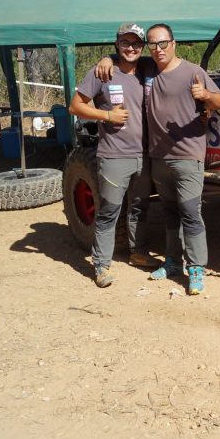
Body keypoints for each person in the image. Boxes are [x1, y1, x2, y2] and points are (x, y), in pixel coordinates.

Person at [69, 23, 161, 288]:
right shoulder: (102, 73)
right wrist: (107, 115)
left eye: (136, 43)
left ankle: (139, 253)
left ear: (142, 47)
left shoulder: (146, 69)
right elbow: (75, 106)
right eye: (125, 43)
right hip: (113, 156)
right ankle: (101, 265)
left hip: (143, 155)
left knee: (140, 207)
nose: (130, 48)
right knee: (110, 211)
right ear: (116, 44)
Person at [143, 23, 220, 295]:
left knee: (191, 212)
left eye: (162, 43)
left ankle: (197, 269)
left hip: (188, 156)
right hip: (159, 157)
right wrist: (107, 59)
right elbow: (122, 59)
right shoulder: (147, 70)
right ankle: (172, 263)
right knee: (169, 213)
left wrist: (206, 96)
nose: (158, 49)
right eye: (152, 44)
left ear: (174, 43)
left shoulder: (193, 71)